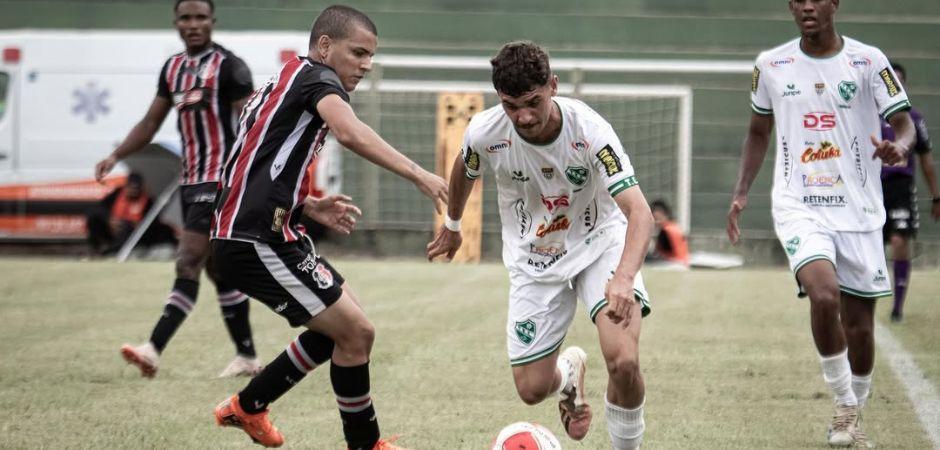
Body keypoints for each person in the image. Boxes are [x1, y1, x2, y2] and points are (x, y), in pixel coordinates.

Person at [209, 5, 447, 449]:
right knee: (356, 333)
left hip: (271, 232)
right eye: (358, 52)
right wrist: (419, 174)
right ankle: (365, 444)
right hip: (254, 239)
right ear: (324, 46)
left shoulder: (287, 77)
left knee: (341, 326)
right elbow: (350, 133)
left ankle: (248, 406)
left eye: (370, 56)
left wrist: (306, 205)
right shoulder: (319, 79)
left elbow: (253, 158)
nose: (366, 64)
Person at [427, 41, 654, 450]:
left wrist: (623, 277)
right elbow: (465, 166)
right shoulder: (485, 132)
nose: (524, 117)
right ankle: (568, 377)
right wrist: (454, 224)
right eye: (511, 106)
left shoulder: (591, 132)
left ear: (553, 85)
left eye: (533, 102)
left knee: (623, 360)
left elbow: (640, 213)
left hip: (599, 244)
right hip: (534, 258)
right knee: (531, 389)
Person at [727, 0, 916, 447]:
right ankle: (844, 403)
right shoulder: (770, 65)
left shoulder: (869, 61)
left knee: (861, 328)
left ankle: (855, 411)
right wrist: (741, 191)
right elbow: (758, 132)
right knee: (824, 294)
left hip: (858, 210)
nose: (807, 6)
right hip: (799, 205)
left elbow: (904, 123)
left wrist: (901, 147)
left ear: (835, 4)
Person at [94, 0, 261, 378]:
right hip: (191, 181)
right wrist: (116, 155)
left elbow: (252, 123)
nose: (193, 24)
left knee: (188, 260)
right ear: (176, 23)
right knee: (218, 270)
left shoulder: (230, 67)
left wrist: (253, 172)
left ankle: (153, 349)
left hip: (219, 180)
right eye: (186, 18)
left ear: (213, 21)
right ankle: (247, 357)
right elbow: (150, 123)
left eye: (200, 17)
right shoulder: (172, 69)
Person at [879, 62, 939, 322]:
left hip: (900, 188)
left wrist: (936, 196)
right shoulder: (868, 116)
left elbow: (926, 159)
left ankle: (897, 308)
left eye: (899, 81)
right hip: (871, 189)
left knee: (899, 242)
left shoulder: (914, 118)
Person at [86, 172, 164, 255]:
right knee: (93, 219)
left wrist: (135, 225)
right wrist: (109, 219)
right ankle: (97, 248)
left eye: (136, 188)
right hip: (113, 228)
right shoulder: (117, 193)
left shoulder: (148, 201)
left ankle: (113, 251)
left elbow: (153, 221)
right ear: (126, 186)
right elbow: (100, 207)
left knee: (127, 227)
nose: (134, 191)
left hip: (133, 234)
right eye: (131, 187)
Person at [648, 199, 689, 266]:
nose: (655, 222)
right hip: (683, 261)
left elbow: (658, 253)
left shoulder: (665, 231)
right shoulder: (675, 227)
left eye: (656, 218)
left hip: (673, 262)